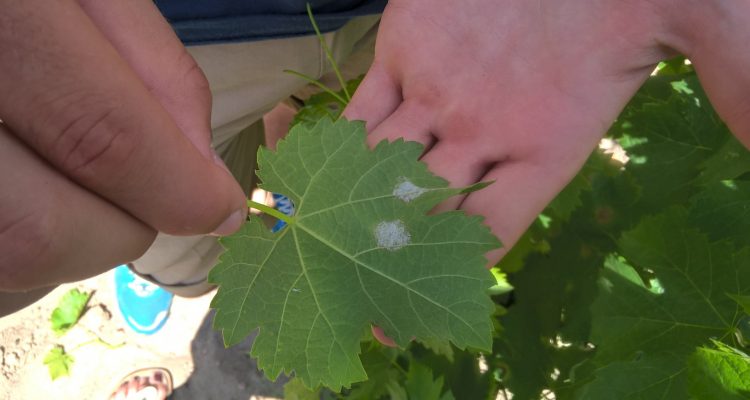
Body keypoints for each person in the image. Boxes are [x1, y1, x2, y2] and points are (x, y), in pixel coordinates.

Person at [2, 0, 750, 344]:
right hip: (123, 34)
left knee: (339, 102)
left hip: (408, 18)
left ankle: (245, 215)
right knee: (162, 200)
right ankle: (180, 267)